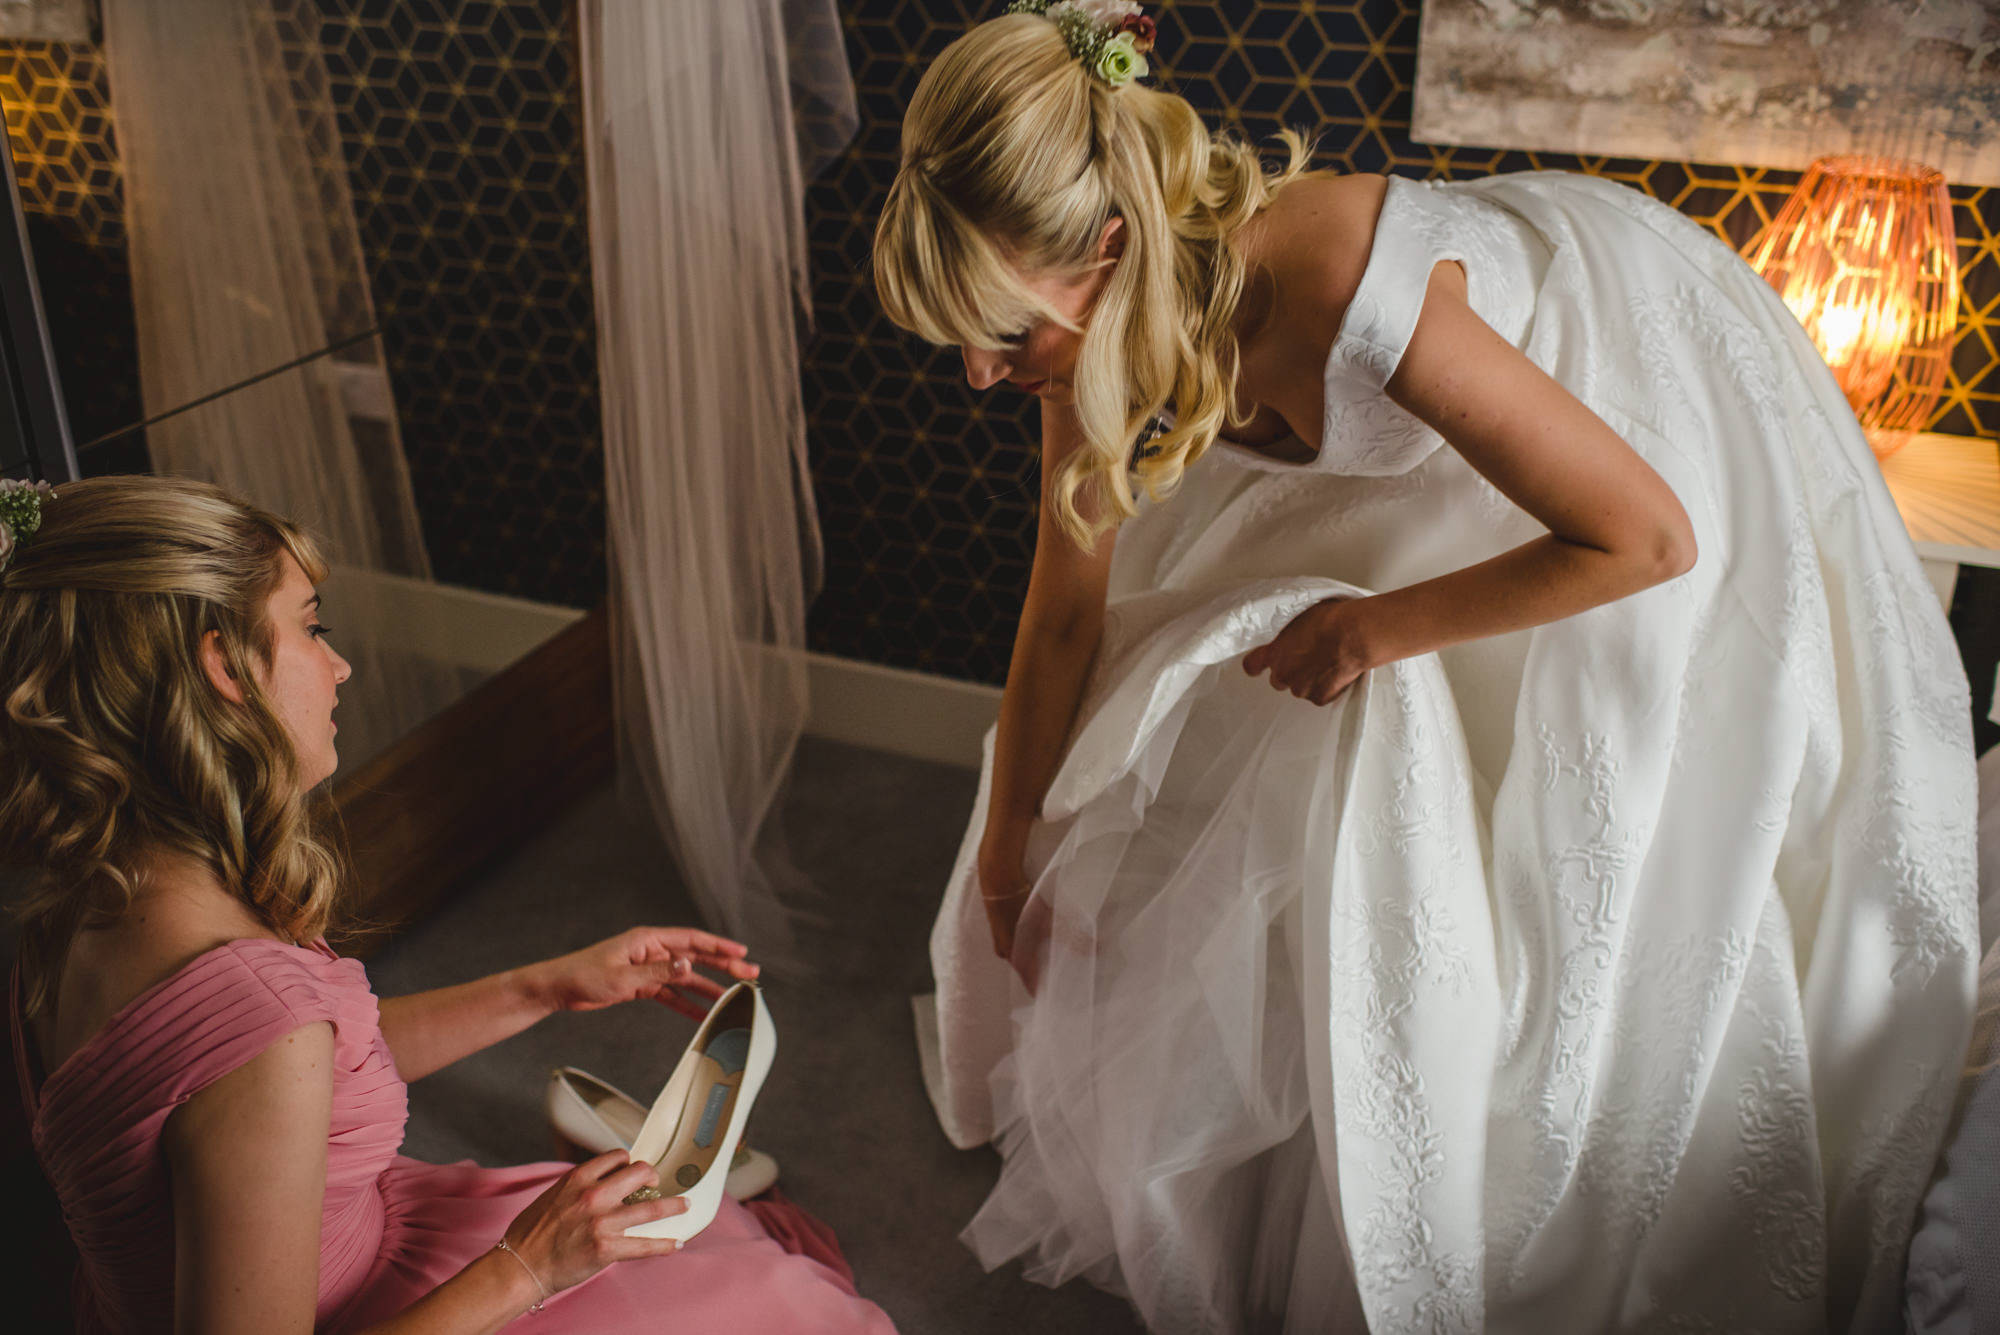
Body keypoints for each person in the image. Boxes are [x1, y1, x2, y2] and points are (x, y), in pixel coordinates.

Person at [872, 6, 1979, 1333]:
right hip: (1443, 456)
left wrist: (1377, 626)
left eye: (1005, 340)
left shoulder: (1343, 286)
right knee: (1254, 728)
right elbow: (1064, 616)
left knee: (1602, 860)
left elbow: (1646, 534)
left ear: (1106, 254)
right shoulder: (1085, 332)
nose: (988, 377)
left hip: (1627, 421)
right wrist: (1009, 839)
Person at [0, 474, 897, 1334]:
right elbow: (270, 1063)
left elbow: (315, 1071)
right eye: (310, 629)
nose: (340, 665)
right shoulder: (261, 1024)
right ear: (226, 668)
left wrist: (546, 986)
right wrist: (529, 1265)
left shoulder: (73, 904)